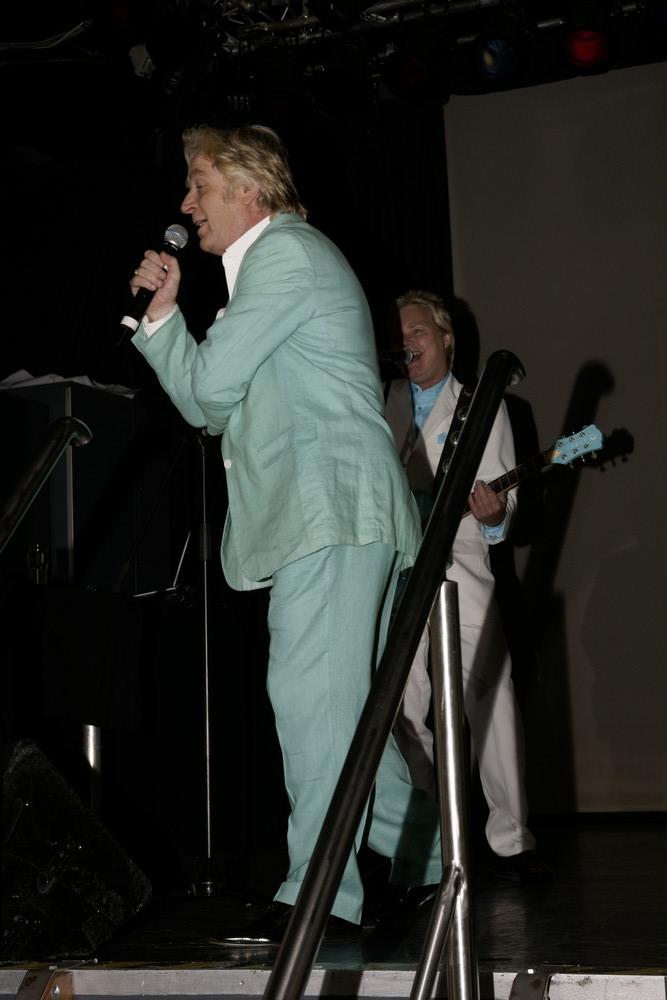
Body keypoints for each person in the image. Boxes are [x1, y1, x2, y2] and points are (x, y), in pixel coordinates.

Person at [128, 125, 442, 941]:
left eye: (200, 185)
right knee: (340, 709)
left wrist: (171, 328)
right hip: (339, 514)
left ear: (249, 187)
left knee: (311, 706)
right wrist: (164, 320)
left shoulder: (284, 256)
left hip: (328, 509)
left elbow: (207, 393)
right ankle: (428, 859)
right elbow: (208, 406)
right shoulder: (276, 268)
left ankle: (322, 896)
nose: (186, 203)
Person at [385, 289, 548, 881]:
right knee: (403, 707)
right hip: (398, 570)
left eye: (419, 331)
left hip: (461, 567)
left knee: (490, 694)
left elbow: (504, 504)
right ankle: (428, 845)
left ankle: (512, 841)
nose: (408, 342)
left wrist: (493, 517)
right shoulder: (384, 400)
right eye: (400, 335)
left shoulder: (482, 405)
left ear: (446, 339)